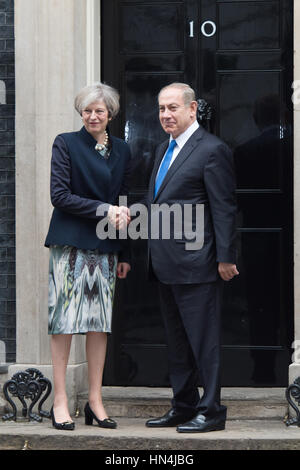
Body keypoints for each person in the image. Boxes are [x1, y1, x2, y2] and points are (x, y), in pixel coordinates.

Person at [144, 83, 238, 433]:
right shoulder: (160, 150)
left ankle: (211, 410)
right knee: (177, 341)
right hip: (164, 263)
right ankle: (183, 405)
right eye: (161, 109)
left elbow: (224, 207)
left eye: (172, 108)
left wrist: (225, 257)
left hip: (199, 264)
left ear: (192, 108)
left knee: (204, 341)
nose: (166, 115)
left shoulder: (212, 150)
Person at [44, 82, 131, 430]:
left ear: (110, 114)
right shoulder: (65, 143)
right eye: (87, 110)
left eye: (99, 110)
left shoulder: (122, 150)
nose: (93, 116)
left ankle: (95, 402)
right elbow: (59, 196)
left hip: (106, 247)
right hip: (70, 243)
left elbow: (124, 199)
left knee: (99, 325)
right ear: (81, 113)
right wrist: (104, 208)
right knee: (63, 323)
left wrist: (124, 250)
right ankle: (60, 401)